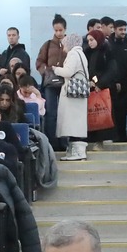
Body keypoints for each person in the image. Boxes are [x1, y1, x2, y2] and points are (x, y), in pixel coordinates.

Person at [55, 33, 92, 161]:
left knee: (72, 124)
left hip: (72, 95)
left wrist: (56, 70)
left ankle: (77, 152)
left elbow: (68, 72)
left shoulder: (73, 54)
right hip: (78, 93)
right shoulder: (81, 54)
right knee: (77, 123)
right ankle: (74, 151)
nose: (64, 48)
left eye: (64, 44)